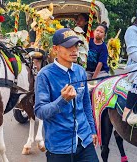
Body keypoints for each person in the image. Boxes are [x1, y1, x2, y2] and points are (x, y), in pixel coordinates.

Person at [35, 28, 99, 162]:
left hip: (84, 140)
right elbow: (40, 112)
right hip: (59, 147)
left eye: (76, 45)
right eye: (69, 46)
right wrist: (62, 100)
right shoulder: (45, 75)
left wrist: (92, 130)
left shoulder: (80, 72)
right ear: (55, 49)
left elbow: (86, 104)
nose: (74, 50)